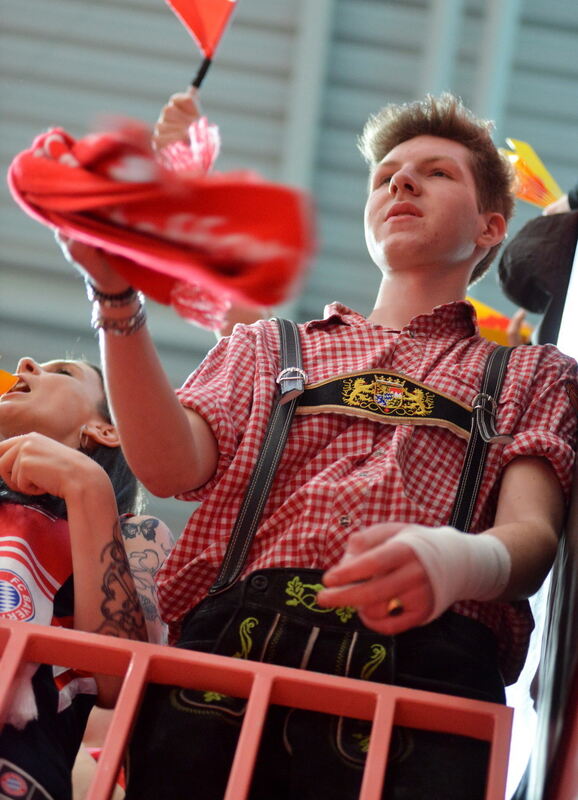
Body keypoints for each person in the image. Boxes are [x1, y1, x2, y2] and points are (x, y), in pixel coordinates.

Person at [56, 93, 577, 800]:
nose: (401, 182)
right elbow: (169, 462)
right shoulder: (269, 346)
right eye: (386, 174)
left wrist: (458, 561)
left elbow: (534, 535)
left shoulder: (530, 373)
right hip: (223, 676)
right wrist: (118, 302)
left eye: (437, 172)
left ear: (493, 224)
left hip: (426, 682)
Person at [0, 356, 172, 800]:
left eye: (62, 373)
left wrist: (87, 487)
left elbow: (120, 682)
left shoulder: (137, 533)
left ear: (105, 430)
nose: (25, 363)